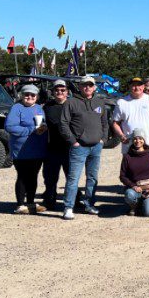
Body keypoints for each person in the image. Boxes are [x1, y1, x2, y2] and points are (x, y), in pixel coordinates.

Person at [57, 76, 108, 219]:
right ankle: (68, 207)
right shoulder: (71, 102)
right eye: (84, 85)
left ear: (94, 87)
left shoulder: (99, 102)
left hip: (96, 147)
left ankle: (89, 204)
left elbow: (105, 123)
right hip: (79, 147)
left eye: (90, 85)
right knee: (73, 178)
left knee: (92, 177)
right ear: (79, 87)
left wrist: (103, 140)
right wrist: (73, 141)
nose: (87, 87)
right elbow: (63, 124)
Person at [6, 84, 47, 214]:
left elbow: (42, 124)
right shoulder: (17, 108)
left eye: (33, 95)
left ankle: (30, 202)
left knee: (33, 176)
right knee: (23, 176)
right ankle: (20, 204)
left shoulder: (39, 109)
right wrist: (30, 130)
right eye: (26, 94)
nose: (29, 97)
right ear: (22, 95)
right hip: (21, 150)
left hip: (37, 150)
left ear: (37, 96)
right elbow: (10, 126)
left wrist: (43, 128)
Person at [41, 79, 72, 211]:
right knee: (50, 177)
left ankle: (73, 201)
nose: (59, 92)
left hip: (70, 148)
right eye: (57, 90)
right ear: (53, 92)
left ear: (67, 92)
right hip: (52, 147)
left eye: (62, 90)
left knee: (71, 177)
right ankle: (49, 200)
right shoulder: (47, 107)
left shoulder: (73, 105)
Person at [111, 77, 149, 155]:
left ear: (143, 87)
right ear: (130, 87)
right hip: (129, 148)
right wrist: (121, 135)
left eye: (139, 85)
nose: (137, 88)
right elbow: (115, 123)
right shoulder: (121, 102)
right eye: (134, 85)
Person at [120, 128, 149, 217]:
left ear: (144, 140)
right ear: (132, 140)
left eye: (140, 138)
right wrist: (133, 186)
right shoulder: (127, 157)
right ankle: (135, 206)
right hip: (135, 189)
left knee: (148, 213)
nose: (137, 141)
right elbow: (122, 176)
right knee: (129, 194)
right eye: (135, 138)